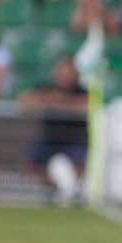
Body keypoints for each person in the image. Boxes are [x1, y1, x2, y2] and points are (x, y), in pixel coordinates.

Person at [18, 56, 88, 196]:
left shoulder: (82, 91)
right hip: (50, 137)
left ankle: (77, 191)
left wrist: (59, 102)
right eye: (62, 72)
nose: (65, 76)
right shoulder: (46, 88)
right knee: (29, 162)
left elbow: (86, 105)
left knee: (80, 165)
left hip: (74, 138)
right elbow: (25, 100)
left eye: (68, 72)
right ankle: (51, 186)